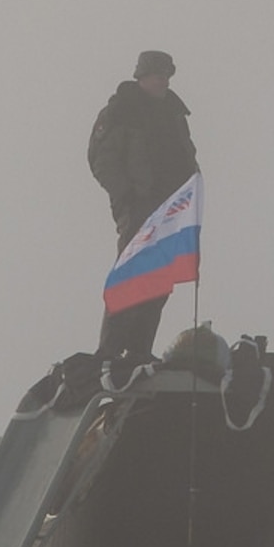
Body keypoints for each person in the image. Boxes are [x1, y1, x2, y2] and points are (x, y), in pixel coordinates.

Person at [88, 51, 198, 368]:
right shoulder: (120, 111)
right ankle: (109, 350)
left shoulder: (174, 113)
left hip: (172, 209)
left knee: (160, 281)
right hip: (139, 207)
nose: (163, 79)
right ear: (141, 76)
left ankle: (139, 349)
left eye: (166, 74)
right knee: (131, 275)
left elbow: (185, 155)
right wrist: (128, 198)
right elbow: (102, 161)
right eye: (157, 74)